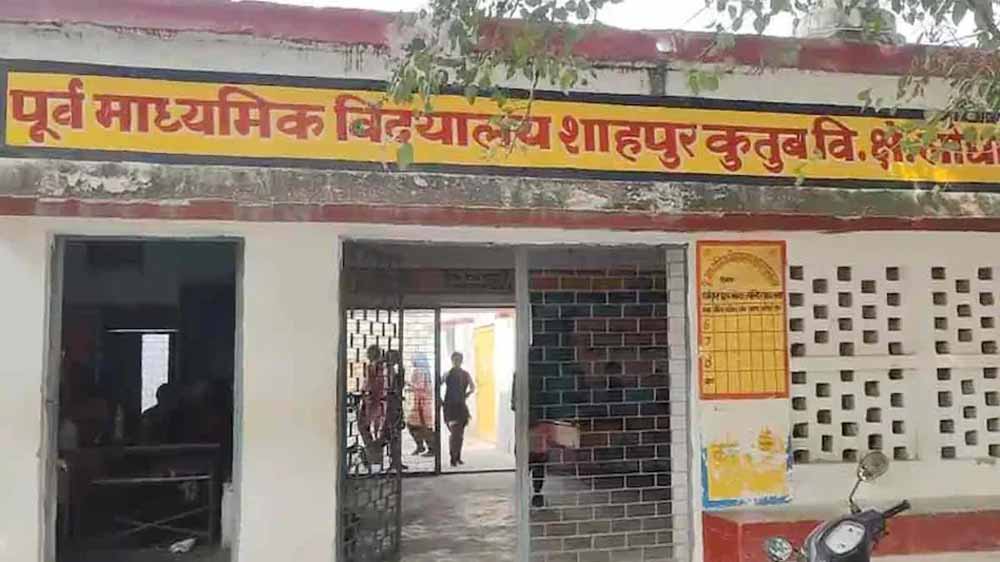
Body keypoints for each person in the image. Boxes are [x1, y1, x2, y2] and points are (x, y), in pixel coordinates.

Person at [441, 352, 474, 467]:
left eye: (458, 360)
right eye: (455, 360)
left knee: (459, 434)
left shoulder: (463, 374)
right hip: (451, 407)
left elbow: (472, 387)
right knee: (455, 433)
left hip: (458, 407)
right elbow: (472, 387)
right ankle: (453, 457)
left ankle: (457, 456)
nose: (457, 362)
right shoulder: (448, 374)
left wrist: (465, 395)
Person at [406, 353, 435, 457]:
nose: (412, 361)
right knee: (420, 425)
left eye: (413, 359)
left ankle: (428, 447)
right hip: (423, 401)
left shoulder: (420, 371)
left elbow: (420, 386)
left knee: (419, 425)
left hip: (421, 402)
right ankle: (424, 446)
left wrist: (408, 384)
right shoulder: (425, 371)